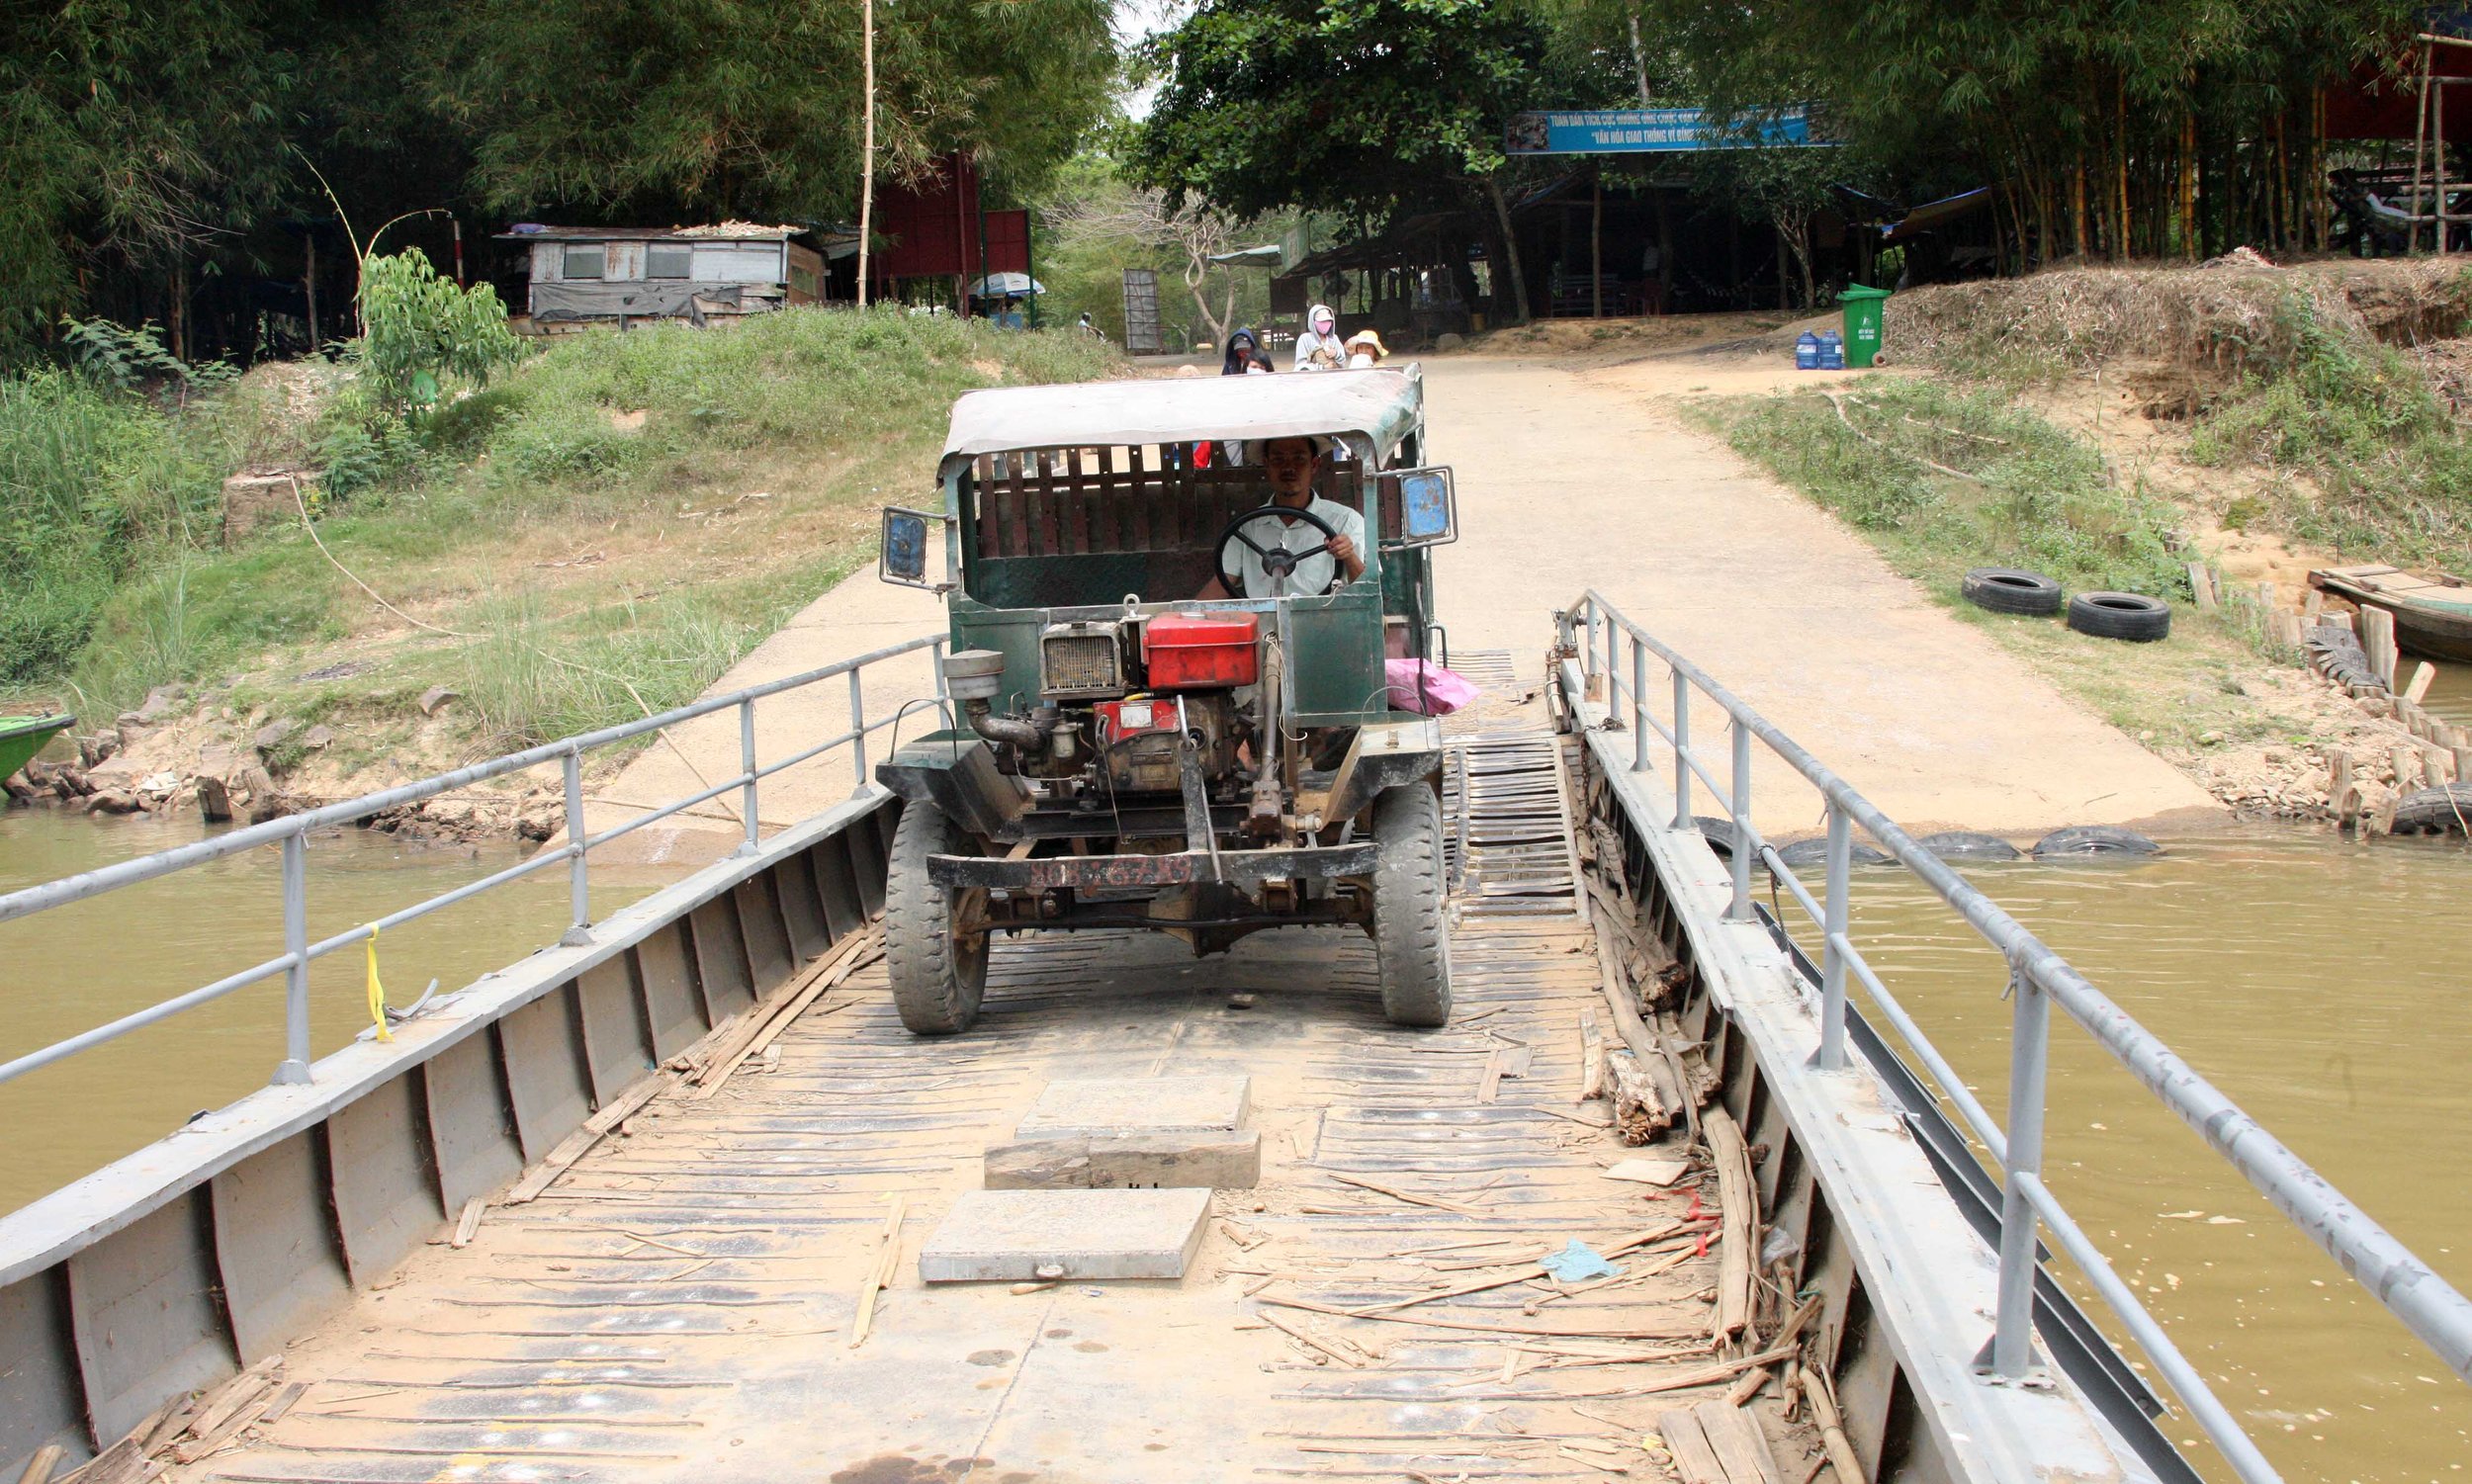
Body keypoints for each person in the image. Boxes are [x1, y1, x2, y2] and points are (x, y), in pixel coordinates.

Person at [1198, 435, 1366, 599]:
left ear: (1314, 465)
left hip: (1324, 621)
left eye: (1299, 459)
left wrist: (1349, 555)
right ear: (1267, 465)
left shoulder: (1346, 521)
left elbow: (1367, 590)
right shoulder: (1247, 527)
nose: (1288, 468)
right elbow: (1223, 582)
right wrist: (1182, 619)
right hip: (1263, 623)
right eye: (1278, 460)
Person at [1292, 304, 1346, 371]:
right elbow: (1300, 366)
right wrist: (1322, 367)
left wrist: (1336, 354)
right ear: (1313, 322)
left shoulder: (1334, 339)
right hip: (1312, 379)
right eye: (1322, 321)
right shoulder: (1304, 339)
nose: (1325, 323)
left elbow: (1342, 363)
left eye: (1328, 321)